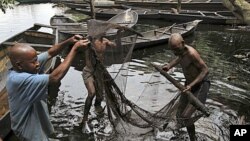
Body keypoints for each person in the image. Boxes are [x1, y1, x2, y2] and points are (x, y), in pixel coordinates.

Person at [6, 35, 89, 141]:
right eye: (33, 62)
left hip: (36, 119)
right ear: (19, 65)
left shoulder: (26, 66)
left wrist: (68, 41)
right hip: (28, 129)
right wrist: (75, 49)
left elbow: (50, 53)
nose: (37, 64)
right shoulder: (18, 80)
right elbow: (55, 77)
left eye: (37, 60)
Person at [162, 33, 210, 141]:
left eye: (176, 49)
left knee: (186, 116)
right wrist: (169, 66)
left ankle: (193, 139)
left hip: (200, 85)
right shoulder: (180, 51)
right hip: (188, 85)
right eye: (173, 50)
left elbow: (205, 70)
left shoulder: (192, 53)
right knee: (179, 113)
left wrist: (191, 85)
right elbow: (179, 58)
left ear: (183, 43)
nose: (175, 52)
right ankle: (181, 135)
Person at [81, 37, 116, 133]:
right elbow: (82, 44)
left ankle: (98, 110)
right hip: (89, 71)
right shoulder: (89, 42)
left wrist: (118, 35)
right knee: (92, 93)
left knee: (100, 97)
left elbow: (114, 46)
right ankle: (85, 119)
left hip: (99, 71)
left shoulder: (105, 41)